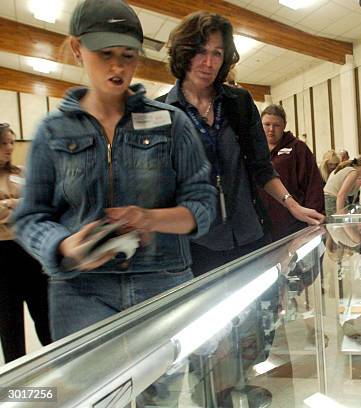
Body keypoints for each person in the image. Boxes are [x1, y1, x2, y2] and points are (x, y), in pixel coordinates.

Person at [13, 0, 217, 341]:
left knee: (162, 391)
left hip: (162, 280)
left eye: (128, 55)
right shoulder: (52, 132)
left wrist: (150, 218)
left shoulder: (171, 123)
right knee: (97, 393)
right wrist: (63, 246)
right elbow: (29, 217)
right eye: (105, 53)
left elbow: (203, 205)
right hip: (81, 292)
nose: (117, 66)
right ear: (78, 49)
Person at [158, 11, 324, 276]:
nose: (209, 62)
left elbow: (262, 167)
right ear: (183, 52)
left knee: (262, 312)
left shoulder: (239, 102)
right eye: (201, 51)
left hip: (250, 235)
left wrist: (294, 206)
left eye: (217, 53)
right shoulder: (162, 113)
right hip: (197, 245)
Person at [0, 123, 52, 363]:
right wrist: (16, 205)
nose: (9, 147)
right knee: (9, 322)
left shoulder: (21, 172)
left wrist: (10, 207)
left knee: (44, 313)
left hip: (28, 249)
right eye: (3, 143)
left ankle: (59, 365)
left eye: (11, 142)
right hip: (2, 254)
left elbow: (37, 204)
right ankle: (16, 386)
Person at [259, 104, 324, 241]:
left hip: (292, 224)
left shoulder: (298, 148)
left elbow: (313, 185)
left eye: (276, 125)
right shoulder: (255, 151)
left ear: (284, 125)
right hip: (263, 226)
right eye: (267, 124)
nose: (271, 130)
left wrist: (314, 220)